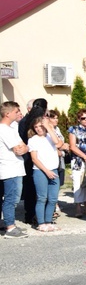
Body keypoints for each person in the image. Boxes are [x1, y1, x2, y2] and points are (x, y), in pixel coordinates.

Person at [27, 116, 63, 231]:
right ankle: (41, 222)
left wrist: (48, 126)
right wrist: (47, 171)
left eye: (40, 126)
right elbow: (34, 159)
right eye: (36, 127)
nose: (38, 129)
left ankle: (48, 221)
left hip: (54, 170)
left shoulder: (50, 136)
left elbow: (58, 142)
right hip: (40, 171)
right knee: (42, 197)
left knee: (53, 198)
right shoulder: (33, 140)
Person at [0, 102, 29, 239]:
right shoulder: (4, 129)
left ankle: (7, 223)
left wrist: (25, 148)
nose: (19, 113)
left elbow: (24, 146)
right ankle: (10, 228)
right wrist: (24, 148)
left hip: (15, 168)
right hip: (10, 169)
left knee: (11, 198)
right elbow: (18, 149)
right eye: (16, 111)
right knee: (11, 199)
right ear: (7, 113)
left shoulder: (11, 129)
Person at [68, 108, 86, 217]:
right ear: (79, 119)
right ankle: (78, 207)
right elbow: (72, 146)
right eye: (83, 118)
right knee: (78, 183)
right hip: (78, 160)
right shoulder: (73, 129)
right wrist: (84, 156)